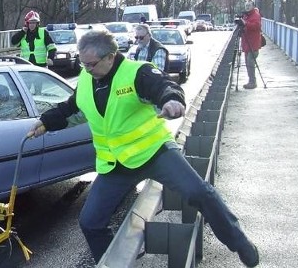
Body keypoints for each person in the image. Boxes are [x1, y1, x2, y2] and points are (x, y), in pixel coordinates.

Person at [27, 30, 260, 267]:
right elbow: (71, 108)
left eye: (91, 64)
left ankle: (239, 242)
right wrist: (45, 123)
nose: (86, 69)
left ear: (111, 56)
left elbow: (164, 87)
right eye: (84, 64)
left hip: (155, 154)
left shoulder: (137, 72)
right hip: (116, 164)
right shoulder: (86, 79)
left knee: (199, 192)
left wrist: (172, 101)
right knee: (90, 222)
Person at [239, 0, 262, 89]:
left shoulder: (255, 15)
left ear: (253, 6)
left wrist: (245, 23)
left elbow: (257, 26)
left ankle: (253, 82)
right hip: (247, 44)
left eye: (249, 5)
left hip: (253, 44)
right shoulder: (246, 15)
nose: (247, 7)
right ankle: (250, 81)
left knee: (250, 63)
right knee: (248, 63)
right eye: (246, 5)